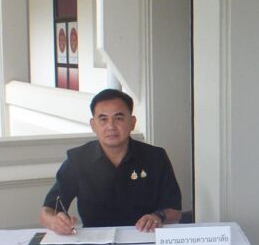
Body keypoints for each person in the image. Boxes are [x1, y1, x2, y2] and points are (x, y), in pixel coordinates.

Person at [40, 89, 182, 234]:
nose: (111, 126)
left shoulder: (155, 157)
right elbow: (47, 211)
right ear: (93, 125)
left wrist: (157, 216)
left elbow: (175, 210)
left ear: (132, 123)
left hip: (145, 236)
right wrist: (55, 222)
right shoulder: (77, 160)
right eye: (103, 119)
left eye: (118, 118)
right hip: (95, 240)